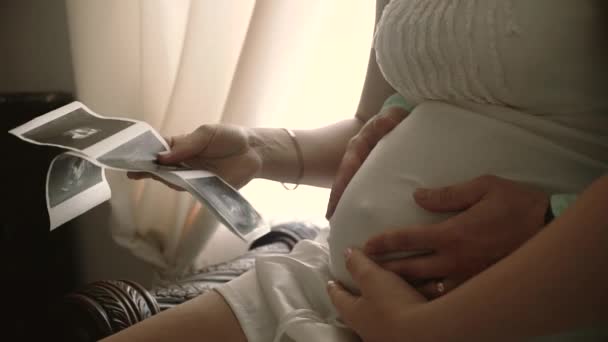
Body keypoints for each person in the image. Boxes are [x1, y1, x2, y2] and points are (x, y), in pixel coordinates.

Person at [114, 0, 608, 340]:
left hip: (522, 311)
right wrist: (260, 149)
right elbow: (373, 121)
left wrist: (552, 218)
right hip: (342, 285)